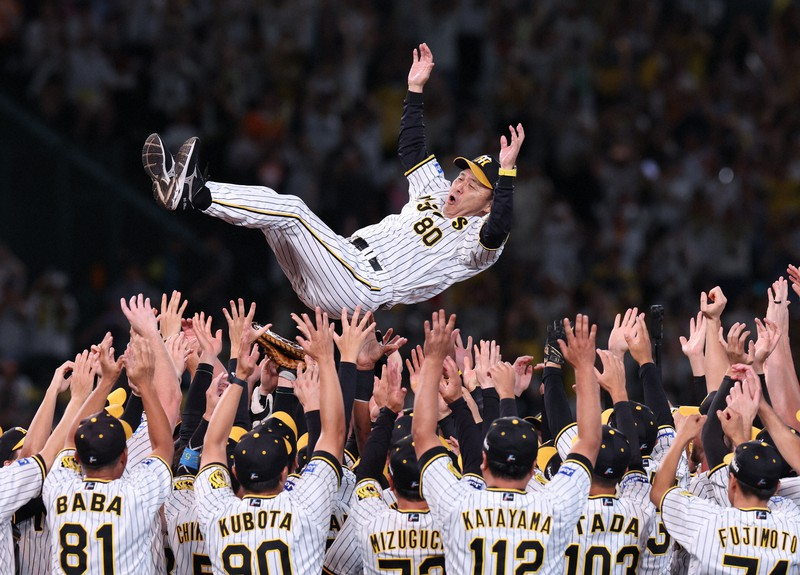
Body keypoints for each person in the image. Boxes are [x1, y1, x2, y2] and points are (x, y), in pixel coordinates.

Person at [142, 43, 524, 316]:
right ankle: (181, 186)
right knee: (277, 215)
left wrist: (506, 175)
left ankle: (192, 194)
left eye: (473, 186)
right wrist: (415, 90)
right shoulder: (436, 190)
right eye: (462, 176)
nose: (459, 185)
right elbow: (412, 150)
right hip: (336, 263)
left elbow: (499, 228)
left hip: (363, 289)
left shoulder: (474, 244)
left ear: (489, 203)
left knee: (292, 209)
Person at [411, 311, 601, 574]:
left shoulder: (458, 501)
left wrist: (433, 361)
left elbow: (421, 434)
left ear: (484, 461)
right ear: (534, 466)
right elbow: (590, 441)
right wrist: (584, 366)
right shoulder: (554, 505)